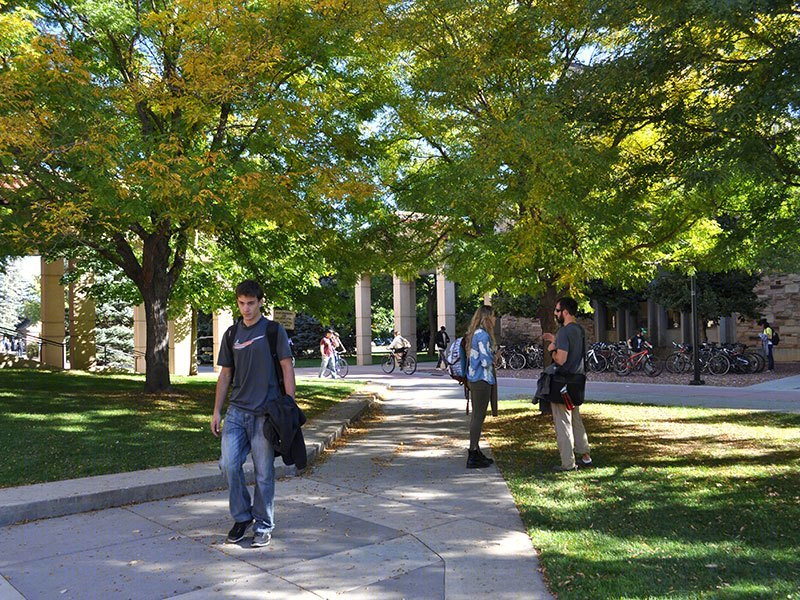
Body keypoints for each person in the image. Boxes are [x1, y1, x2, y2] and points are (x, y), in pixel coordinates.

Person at [211, 279, 296, 548]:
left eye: (250, 303)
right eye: (241, 303)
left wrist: (290, 406)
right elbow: (225, 374)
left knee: (263, 473)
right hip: (237, 412)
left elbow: (286, 367)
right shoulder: (231, 334)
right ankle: (242, 517)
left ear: (260, 302)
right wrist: (216, 411)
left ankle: (263, 524)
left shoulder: (273, 330)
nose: (245, 308)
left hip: (265, 414)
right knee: (229, 464)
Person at [541, 297, 592, 473]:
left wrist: (551, 350)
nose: (555, 314)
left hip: (563, 383)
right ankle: (585, 456)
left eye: (557, 310)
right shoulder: (579, 330)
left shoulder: (564, 331)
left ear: (565, 312)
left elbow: (561, 359)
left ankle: (568, 463)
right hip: (577, 382)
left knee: (563, 423)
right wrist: (555, 340)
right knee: (576, 419)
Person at [465, 305, 498, 469]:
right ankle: (472, 453)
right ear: (486, 318)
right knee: (478, 416)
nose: (495, 319)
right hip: (481, 380)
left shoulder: (475, 333)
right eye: (493, 316)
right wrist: (495, 355)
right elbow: (485, 362)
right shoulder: (482, 335)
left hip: (475, 379)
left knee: (477, 415)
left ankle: (475, 450)